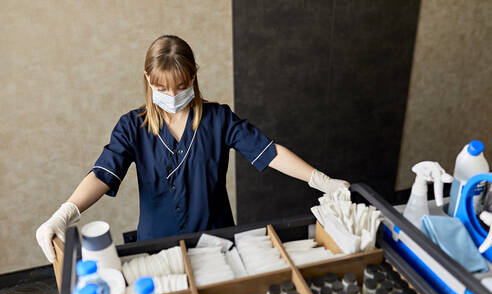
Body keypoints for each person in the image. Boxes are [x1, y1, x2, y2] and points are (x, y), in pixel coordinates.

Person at [36, 35, 349, 263]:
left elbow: (270, 152)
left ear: (194, 78)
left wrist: (321, 180)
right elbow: (103, 173)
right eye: (161, 89)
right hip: (157, 245)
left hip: (216, 239)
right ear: (147, 79)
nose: (172, 95)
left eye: (181, 87)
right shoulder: (133, 126)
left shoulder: (218, 119)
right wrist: (64, 214)